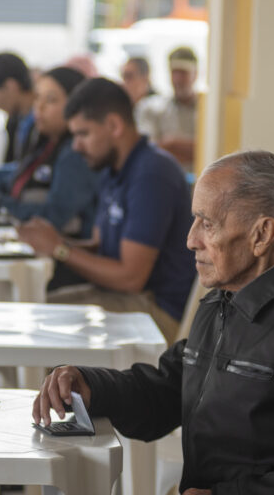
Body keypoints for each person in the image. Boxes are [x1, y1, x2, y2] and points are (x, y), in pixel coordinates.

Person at [26, 151, 274, 495]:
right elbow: (169, 385)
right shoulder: (224, 299)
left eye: (207, 224)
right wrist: (91, 386)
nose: (190, 239)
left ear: (262, 234)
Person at [17, 77, 195, 342]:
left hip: (156, 314)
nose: (76, 146)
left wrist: (60, 248)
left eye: (83, 134)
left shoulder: (152, 174)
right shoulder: (112, 169)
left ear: (114, 125)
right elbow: (101, 249)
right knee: (27, 308)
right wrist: (49, 242)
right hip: (123, 298)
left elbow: (130, 278)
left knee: (31, 323)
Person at [0, 67, 98, 237]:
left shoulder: (75, 152)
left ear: (75, 107)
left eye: (50, 100)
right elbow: (16, 181)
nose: (39, 107)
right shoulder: (46, 143)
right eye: (37, 98)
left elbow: (56, 216)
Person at [135, 46, 200, 171]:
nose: (177, 79)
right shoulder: (152, 108)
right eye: (174, 72)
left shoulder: (206, 112)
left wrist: (172, 143)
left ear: (195, 74)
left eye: (183, 73)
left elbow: (211, 148)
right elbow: (149, 151)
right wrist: (193, 149)